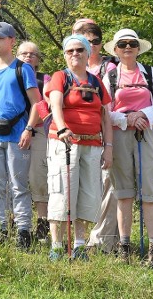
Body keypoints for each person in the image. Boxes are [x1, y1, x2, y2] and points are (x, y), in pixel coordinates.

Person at [43, 34, 113, 261]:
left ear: (87, 53)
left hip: (92, 144)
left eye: (80, 50)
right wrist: (62, 128)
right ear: (64, 54)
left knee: (87, 195)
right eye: (70, 51)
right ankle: (57, 246)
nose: (75, 54)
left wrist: (109, 147)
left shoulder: (95, 81)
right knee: (62, 192)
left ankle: (80, 245)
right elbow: (55, 104)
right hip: (65, 143)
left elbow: (105, 117)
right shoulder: (60, 77)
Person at [0, 22, 41, 249]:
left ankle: (23, 232)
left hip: (16, 136)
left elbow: (37, 104)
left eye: (0, 37)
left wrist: (29, 129)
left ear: (12, 41)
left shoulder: (23, 69)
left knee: (18, 186)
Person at [103, 28, 153, 267]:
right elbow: (105, 110)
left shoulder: (150, 73)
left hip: (147, 132)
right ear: (116, 50)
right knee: (124, 194)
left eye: (131, 44)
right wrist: (126, 119)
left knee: (149, 193)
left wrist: (142, 115)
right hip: (119, 134)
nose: (127, 47)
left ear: (138, 48)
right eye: (122, 44)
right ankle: (125, 246)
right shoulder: (109, 77)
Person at [74, 20, 120, 254]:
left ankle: (102, 240)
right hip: (80, 137)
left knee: (108, 187)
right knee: (87, 187)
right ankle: (82, 239)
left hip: (108, 133)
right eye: (86, 42)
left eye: (96, 41)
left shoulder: (110, 69)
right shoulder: (72, 69)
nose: (91, 46)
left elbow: (110, 107)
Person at [17, 40, 52, 241]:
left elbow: (43, 104)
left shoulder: (44, 79)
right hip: (12, 134)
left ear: (38, 60)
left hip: (38, 134)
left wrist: (30, 128)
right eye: (24, 54)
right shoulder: (12, 75)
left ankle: (42, 225)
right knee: (15, 180)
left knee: (39, 179)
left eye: (32, 54)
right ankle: (18, 224)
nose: (28, 57)